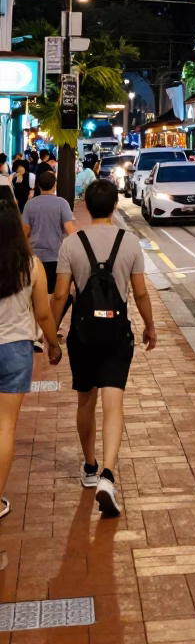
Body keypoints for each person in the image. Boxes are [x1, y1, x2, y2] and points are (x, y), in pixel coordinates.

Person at [52, 179, 157, 518]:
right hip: (116, 334)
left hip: (82, 334)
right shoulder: (129, 243)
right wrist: (149, 326)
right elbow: (140, 293)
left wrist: (50, 335)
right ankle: (108, 475)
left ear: (88, 205)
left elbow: (59, 295)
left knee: (86, 400)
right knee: (114, 403)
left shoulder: (71, 244)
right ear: (114, 207)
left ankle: (89, 466)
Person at [0, 193, 61, 519]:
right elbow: (43, 313)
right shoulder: (30, 266)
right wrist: (53, 344)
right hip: (15, 350)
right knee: (4, 427)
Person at [23, 171, 75, 346]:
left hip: (35, 260)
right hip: (56, 258)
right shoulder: (62, 203)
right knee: (63, 295)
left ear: (37, 185)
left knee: (34, 297)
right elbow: (70, 230)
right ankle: (52, 327)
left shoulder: (30, 205)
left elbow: (25, 232)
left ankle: (37, 331)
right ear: (54, 185)